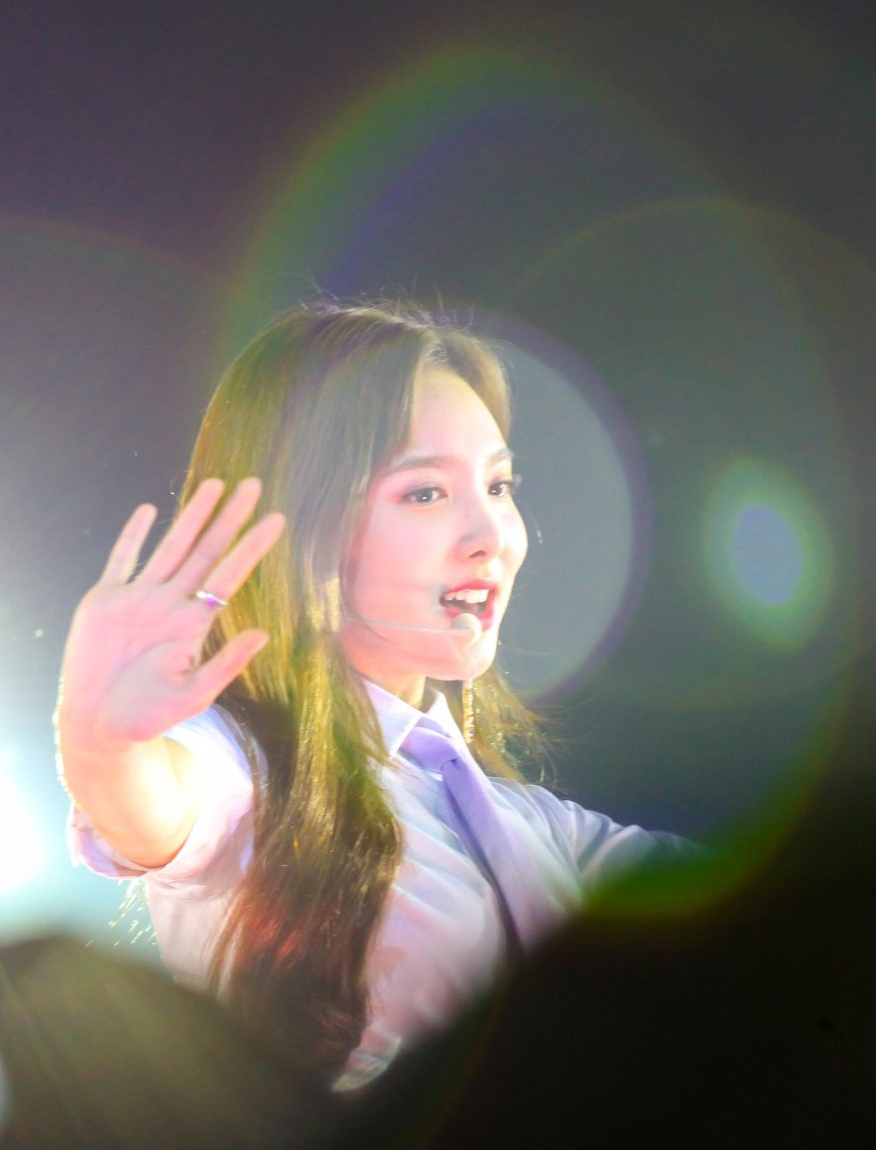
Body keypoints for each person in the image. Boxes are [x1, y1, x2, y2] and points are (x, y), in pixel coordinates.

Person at [58, 302, 684, 1089]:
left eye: (498, 485)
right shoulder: (250, 771)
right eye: (425, 493)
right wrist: (100, 744)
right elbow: (154, 800)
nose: (491, 535)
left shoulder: (540, 829)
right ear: (306, 525)